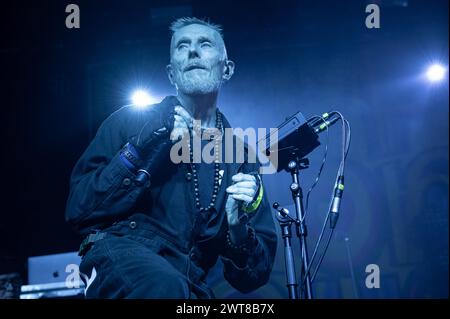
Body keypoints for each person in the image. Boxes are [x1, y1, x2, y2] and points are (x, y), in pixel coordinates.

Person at [65, 17, 277, 298]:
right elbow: (79, 209)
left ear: (227, 70)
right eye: (182, 46)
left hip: (191, 280)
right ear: (171, 74)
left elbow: (253, 278)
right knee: (165, 286)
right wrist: (141, 147)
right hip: (122, 256)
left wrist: (238, 231)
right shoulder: (131, 121)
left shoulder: (240, 157)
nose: (192, 51)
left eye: (205, 44)